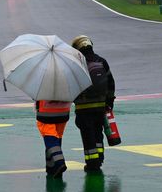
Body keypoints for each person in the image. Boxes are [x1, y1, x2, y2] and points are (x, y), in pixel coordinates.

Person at [71, 35, 115, 172]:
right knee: (98, 132)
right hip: (100, 106)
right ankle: (100, 157)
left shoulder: (76, 64)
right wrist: (109, 102)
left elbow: (72, 86)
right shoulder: (102, 61)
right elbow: (111, 83)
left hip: (83, 108)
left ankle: (92, 163)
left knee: (87, 135)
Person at [35, 100, 72, 178]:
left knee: (50, 138)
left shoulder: (43, 87)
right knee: (57, 138)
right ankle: (52, 167)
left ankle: (59, 163)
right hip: (63, 111)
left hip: (46, 112)